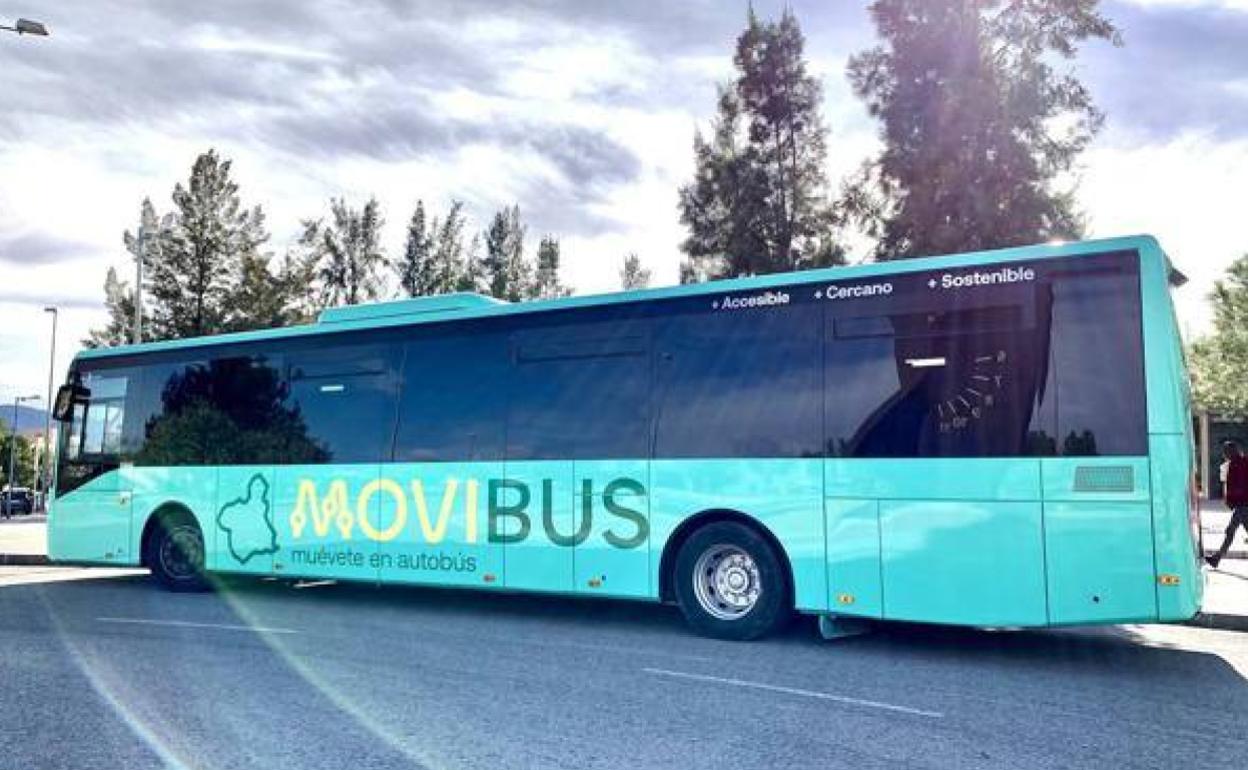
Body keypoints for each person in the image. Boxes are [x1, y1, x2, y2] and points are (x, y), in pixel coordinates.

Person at [1209, 441, 1248, 569]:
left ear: (1231, 452)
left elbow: (1236, 486)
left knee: (1230, 531)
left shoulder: (1237, 464)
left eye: (1226, 451)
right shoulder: (1240, 462)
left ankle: (1217, 558)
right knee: (1230, 531)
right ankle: (1217, 558)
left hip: (1243, 504)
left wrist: (1231, 500)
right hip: (1242, 504)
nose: (1224, 454)